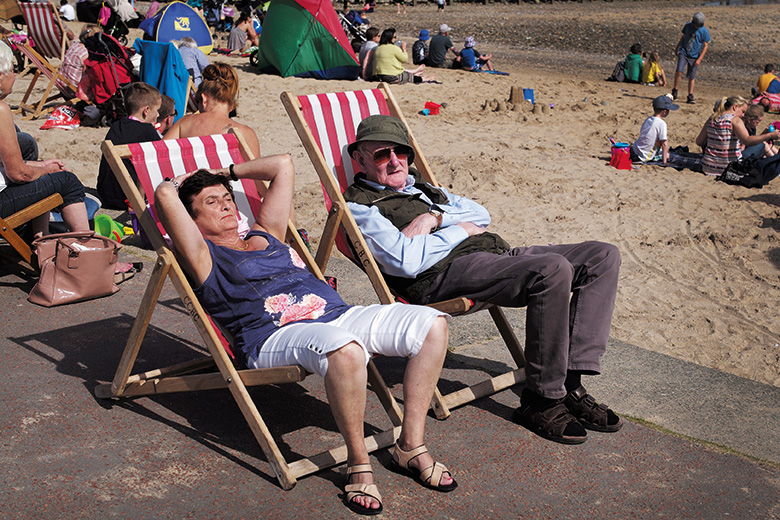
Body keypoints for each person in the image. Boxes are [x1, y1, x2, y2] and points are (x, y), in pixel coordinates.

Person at [154, 157, 456, 516]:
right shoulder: (204, 256)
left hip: (336, 315)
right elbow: (163, 194)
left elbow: (283, 165)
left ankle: (410, 444)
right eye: (211, 202)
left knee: (432, 323)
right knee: (345, 351)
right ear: (192, 220)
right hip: (272, 335)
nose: (225, 205)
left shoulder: (266, 232)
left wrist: (228, 174)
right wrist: (181, 181)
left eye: (227, 198)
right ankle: (358, 462)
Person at [342, 115, 624, 446]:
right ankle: (542, 400)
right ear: (359, 159)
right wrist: (459, 230)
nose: (394, 162)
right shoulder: (361, 205)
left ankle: (568, 382)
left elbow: (482, 215)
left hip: (495, 257)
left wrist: (433, 218)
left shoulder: (424, 189)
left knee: (603, 256)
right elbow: (405, 261)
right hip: (443, 275)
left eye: (401, 152)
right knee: (552, 270)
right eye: (381, 155)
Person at [0, 41, 88, 238]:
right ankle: (89, 253)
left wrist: (40, 166)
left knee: (34, 160)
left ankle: (38, 241)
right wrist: (45, 170)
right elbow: (18, 174)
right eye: (12, 70)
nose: (14, 75)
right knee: (68, 182)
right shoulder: (0, 110)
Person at [164, 63, 261, 159]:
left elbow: (159, 153)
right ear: (231, 106)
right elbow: (255, 172)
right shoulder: (246, 133)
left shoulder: (184, 123)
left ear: (204, 99)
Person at [96, 82, 162, 209]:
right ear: (146, 110)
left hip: (107, 194)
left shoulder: (116, 126)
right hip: (129, 196)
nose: (158, 115)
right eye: (157, 110)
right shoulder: (147, 130)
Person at [695, 95, 780, 176]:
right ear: (735, 107)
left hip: (708, 167)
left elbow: (699, 141)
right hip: (728, 168)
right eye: (743, 111)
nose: (743, 115)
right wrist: (769, 135)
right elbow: (747, 140)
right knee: (762, 145)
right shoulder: (735, 120)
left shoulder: (712, 118)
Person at [672, 12, 710, 105]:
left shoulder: (704, 31)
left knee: (691, 76)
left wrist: (700, 59)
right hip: (684, 51)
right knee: (679, 71)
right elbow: (683, 36)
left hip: (694, 56)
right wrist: (677, 47)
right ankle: (675, 90)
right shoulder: (688, 26)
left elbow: (705, 45)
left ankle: (690, 95)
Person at [630, 95, 678, 164]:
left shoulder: (648, 119)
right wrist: (665, 162)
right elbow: (664, 144)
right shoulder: (662, 124)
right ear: (664, 111)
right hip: (645, 156)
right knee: (668, 155)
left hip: (636, 149)